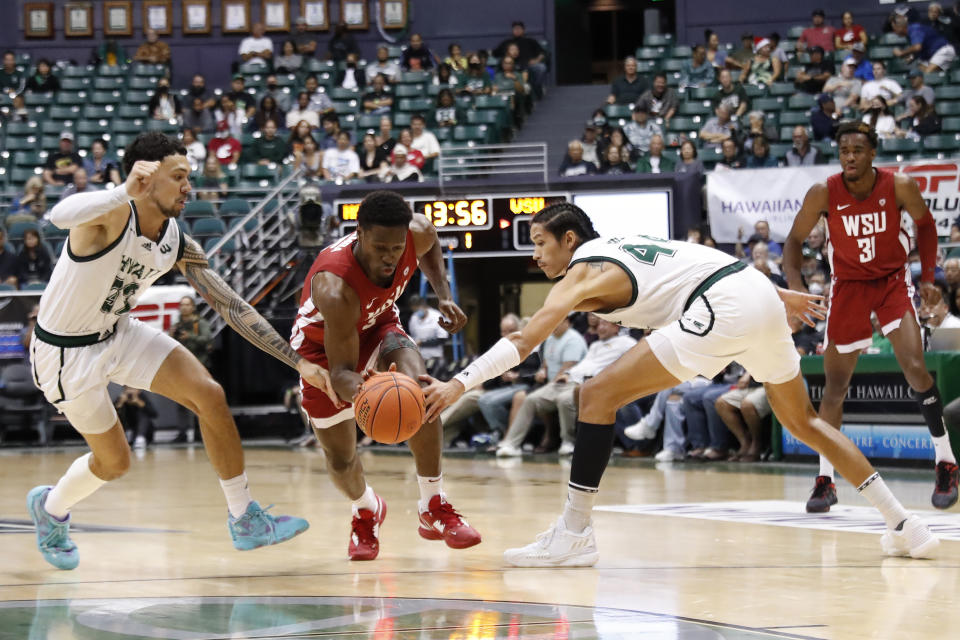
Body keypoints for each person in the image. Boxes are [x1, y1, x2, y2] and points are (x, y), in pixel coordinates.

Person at [421, 201, 939, 566]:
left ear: (570, 240)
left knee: (596, 394)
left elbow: (527, 340)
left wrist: (457, 384)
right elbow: (705, 264)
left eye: (539, 243)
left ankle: (574, 534)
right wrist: (778, 296)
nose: (535, 256)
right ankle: (905, 525)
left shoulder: (583, 270)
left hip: (725, 306)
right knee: (803, 422)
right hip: (750, 293)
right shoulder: (632, 242)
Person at [25, 132, 337, 571]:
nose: (189, 187)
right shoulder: (108, 217)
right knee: (114, 463)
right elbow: (59, 215)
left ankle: (244, 516)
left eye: (188, 176)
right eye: (179, 177)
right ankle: (52, 508)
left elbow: (231, 305)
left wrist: (298, 361)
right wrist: (121, 190)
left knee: (209, 394)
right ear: (146, 179)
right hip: (65, 354)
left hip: (118, 332)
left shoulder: (177, 241)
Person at [289, 190, 479, 561]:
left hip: (379, 326)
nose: (390, 257)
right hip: (321, 354)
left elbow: (432, 246)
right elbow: (342, 371)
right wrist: (365, 388)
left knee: (421, 392)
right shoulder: (334, 286)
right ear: (358, 234)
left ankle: (432, 504)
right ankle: (366, 509)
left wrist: (443, 294)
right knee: (342, 460)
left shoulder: (417, 233)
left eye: (396, 248)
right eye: (380, 248)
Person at [783, 121, 959, 515]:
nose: (849, 157)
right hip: (848, 287)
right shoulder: (823, 192)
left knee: (915, 367)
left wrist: (927, 277)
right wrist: (795, 291)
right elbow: (793, 242)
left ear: (872, 153)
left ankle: (945, 461)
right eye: (844, 150)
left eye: (857, 150)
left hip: (893, 283)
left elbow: (927, 226)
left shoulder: (898, 186)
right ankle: (825, 480)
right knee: (835, 386)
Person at [494, 314, 587, 457]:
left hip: (572, 383)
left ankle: (568, 441)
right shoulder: (550, 338)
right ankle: (511, 444)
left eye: (558, 320)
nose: (554, 324)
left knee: (563, 400)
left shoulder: (573, 339)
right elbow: (545, 364)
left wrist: (547, 387)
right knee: (529, 400)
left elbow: (566, 369)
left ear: (567, 322)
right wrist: (542, 371)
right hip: (553, 385)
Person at [169, 296, 212, 443]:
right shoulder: (178, 325)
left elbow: (207, 340)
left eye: (187, 305)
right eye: (181, 305)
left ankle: (201, 434)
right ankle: (182, 433)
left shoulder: (200, 323)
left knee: (200, 403)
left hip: (199, 367)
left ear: (193, 307)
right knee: (181, 402)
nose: (184, 307)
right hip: (182, 369)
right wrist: (171, 336)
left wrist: (190, 337)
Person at [493, 21, 547, 99]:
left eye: (519, 29)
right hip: (511, 65)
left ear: (523, 30)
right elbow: (495, 53)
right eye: (515, 29)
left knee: (541, 67)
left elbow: (542, 53)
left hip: (528, 65)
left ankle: (537, 88)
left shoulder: (530, 41)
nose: (517, 30)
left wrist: (536, 60)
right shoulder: (506, 42)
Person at [891, 13, 957, 72]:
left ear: (900, 27)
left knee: (927, 75)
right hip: (931, 55)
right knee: (920, 76)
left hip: (942, 50)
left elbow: (917, 47)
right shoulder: (909, 34)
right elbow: (919, 49)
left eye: (894, 29)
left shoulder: (914, 29)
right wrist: (911, 57)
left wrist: (901, 53)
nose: (894, 32)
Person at [407, 295, 448, 360]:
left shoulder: (436, 316)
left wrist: (422, 343)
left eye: (417, 309)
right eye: (414, 310)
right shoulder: (414, 318)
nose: (416, 312)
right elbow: (412, 335)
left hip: (435, 356)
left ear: (424, 306)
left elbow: (442, 338)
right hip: (419, 356)